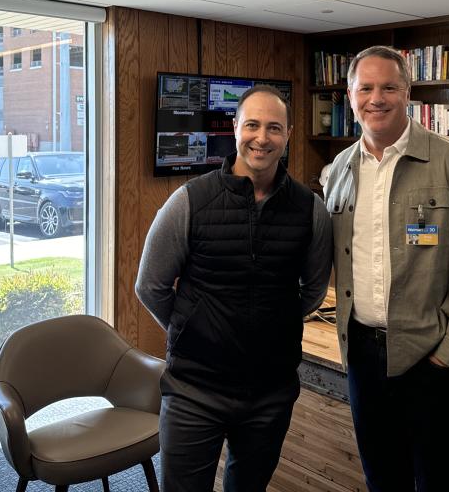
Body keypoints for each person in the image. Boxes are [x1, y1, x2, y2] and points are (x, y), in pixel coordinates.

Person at [136, 85, 333, 492]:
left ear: (289, 134)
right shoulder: (189, 201)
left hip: (269, 394)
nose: (262, 138)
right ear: (235, 128)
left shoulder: (309, 209)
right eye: (253, 125)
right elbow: (150, 286)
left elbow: (313, 290)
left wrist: (272, 324)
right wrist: (192, 326)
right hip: (194, 391)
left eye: (274, 127)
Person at [323, 46, 449, 492]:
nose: (376, 98)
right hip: (363, 356)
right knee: (382, 480)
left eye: (389, 87)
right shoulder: (340, 170)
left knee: (440, 482)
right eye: (365, 88)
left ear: (408, 93)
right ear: (350, 96)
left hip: (431, 357)